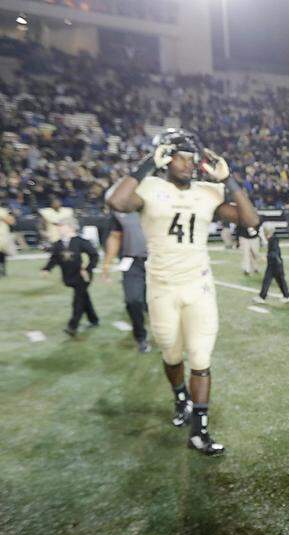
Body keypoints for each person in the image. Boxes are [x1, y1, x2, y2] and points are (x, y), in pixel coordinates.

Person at [106, 128, 261, 456]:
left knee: (201, 358)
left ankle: (199, 432)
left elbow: (250, 221)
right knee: (171, 354)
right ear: (165, 158)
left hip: (198, 285)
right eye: (181, 157)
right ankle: (180, 397)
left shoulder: (207, 192)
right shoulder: (150, 187)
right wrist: (147, 164)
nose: (189, 164)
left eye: (192, 158)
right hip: (162, 287)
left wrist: (229, 179)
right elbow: (117, 201)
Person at [101, 180, 151, 353]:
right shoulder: (118, 214)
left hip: (158, 260)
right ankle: (141, 337)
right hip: (132, 262)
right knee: (133, 300)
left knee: (161, 301)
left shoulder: (151, 205)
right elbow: (115, 237)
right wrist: (106, 265)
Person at [41, 217, 99, 337]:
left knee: (78, 301)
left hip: (83, 277)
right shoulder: (58, 244)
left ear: (71, 227)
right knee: (84, 298)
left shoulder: (81, 241)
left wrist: (87, 269)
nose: (59, 228)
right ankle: (93, 319)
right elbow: (54, 258)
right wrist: (47, 269)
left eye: (61, 226)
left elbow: (94, 255)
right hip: (69, 277)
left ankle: (73, 326)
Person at [255, 228, 289, 304]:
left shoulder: (273, 240)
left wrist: (266, 257)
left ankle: (262, 297)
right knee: (281, 281)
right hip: (277, 264)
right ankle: (287, 296)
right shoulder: (273, 239)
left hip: (274, 264)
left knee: (267, 280)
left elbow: (274, 252)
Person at [0, 204, 14, 277]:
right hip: (2, 234)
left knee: (2, 252)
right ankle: (3, 269)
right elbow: (11, 222)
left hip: (2, 234)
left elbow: (11, 222)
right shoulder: (3, 211)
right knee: (2, 253)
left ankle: (3, 269)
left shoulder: (3, 211)